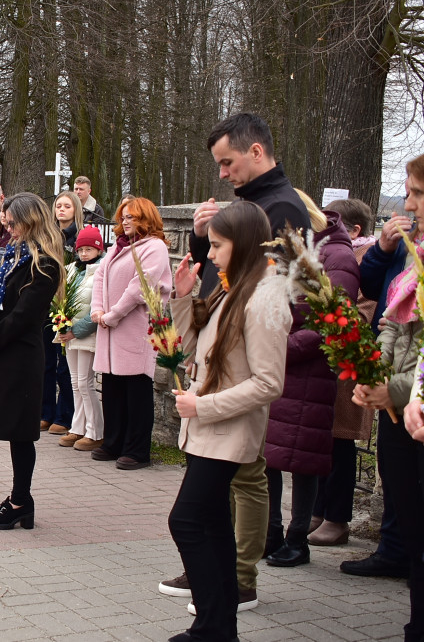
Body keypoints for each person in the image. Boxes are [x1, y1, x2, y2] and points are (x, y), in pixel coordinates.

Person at [164, 112, 312, 606]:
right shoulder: (250, 205)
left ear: (255, 151)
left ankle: (236, 579)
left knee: (244, 477)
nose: (222, 174)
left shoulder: (281, 207)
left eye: (227, 162)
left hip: (242, 370)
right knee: (216, 493)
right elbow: (224, 287)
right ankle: (217, 575)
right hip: (219, 359)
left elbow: (279, 296)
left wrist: (223, 363)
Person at [167, 201, 291, 642]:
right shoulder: (232, 287)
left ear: (241, 244)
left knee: (186, 521)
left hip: (226, 430)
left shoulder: (263, 297)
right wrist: (183, 297)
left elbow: (268, 383)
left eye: (218, 245)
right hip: (207, 428)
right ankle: (217, 626)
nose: (211, 253)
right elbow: (191, 346)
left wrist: (205, 407)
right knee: (213, 523)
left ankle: (213, 625)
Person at [264, 191, 359, 568]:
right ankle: (270, 532)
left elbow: (335, 318)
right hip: (278, 363)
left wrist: (283, 347)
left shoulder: (336, 255)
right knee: (270, 454)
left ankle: (296, 537)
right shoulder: (291, 249)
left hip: (308, 369)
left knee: (302, 459)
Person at [353, 156, 424, 640]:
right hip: (398, 406)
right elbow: (392, 324)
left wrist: (394, 387)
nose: (408, 203)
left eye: (416, 192)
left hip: (413, 402)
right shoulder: (412, 251)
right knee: (413, 523)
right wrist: (374, 375)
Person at [0, 192, 63, 529]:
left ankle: (22, 500)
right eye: (6, 225)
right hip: (7, 352)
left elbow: (22, 317)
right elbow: (2, 301)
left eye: (13, 224)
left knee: (21, 433)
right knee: (13, 432)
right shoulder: (16, 255)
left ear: (31, 221)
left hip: (22, 356)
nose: (9, 230)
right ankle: (21, 497)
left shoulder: (45, 264)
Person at [307, 198, 376, 547]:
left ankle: (337, 518)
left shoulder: (364, 261)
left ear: (353, 230)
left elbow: (361, 312)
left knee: (341, 442)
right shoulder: (336, 257)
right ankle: (318, 512)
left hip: (346, 366)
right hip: (327, 362)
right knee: (323, 441)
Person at [90, 196, 171, 470]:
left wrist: (112, 316)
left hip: (135, 328)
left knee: (136, 389)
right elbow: (101, 276)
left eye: (131, 217)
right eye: (123, 217)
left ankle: (137, 451)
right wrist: (98, 310)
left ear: (145, 218)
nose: (124, 221)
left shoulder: (154, 247)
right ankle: (113, 442)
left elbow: (140, 287)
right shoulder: (117, 247)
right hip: (110, 329)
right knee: (112, 387)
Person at [57, 226, 105, 451]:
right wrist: (61, 323)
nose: (84, 254)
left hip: (86, 334)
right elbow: (61, 299)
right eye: (81, 249)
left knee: (86, 383)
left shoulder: (101, 270)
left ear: (98, 249)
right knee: (74, 382)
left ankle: (95, 430)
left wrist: (77, 329)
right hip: (69, 333)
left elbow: (96, 307)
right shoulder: (72, 269)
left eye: (89, 249)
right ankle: (78, 427)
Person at [43, 191, 85, 433]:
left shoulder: (79, 237)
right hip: (47, 302)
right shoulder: (49, 235)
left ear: (75, 209)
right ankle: (45, 411)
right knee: (46, 362)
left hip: (67, 302)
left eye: (67, 206)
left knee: (65, 366)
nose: (61, 210)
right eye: (58, 205)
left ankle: (65, 415)